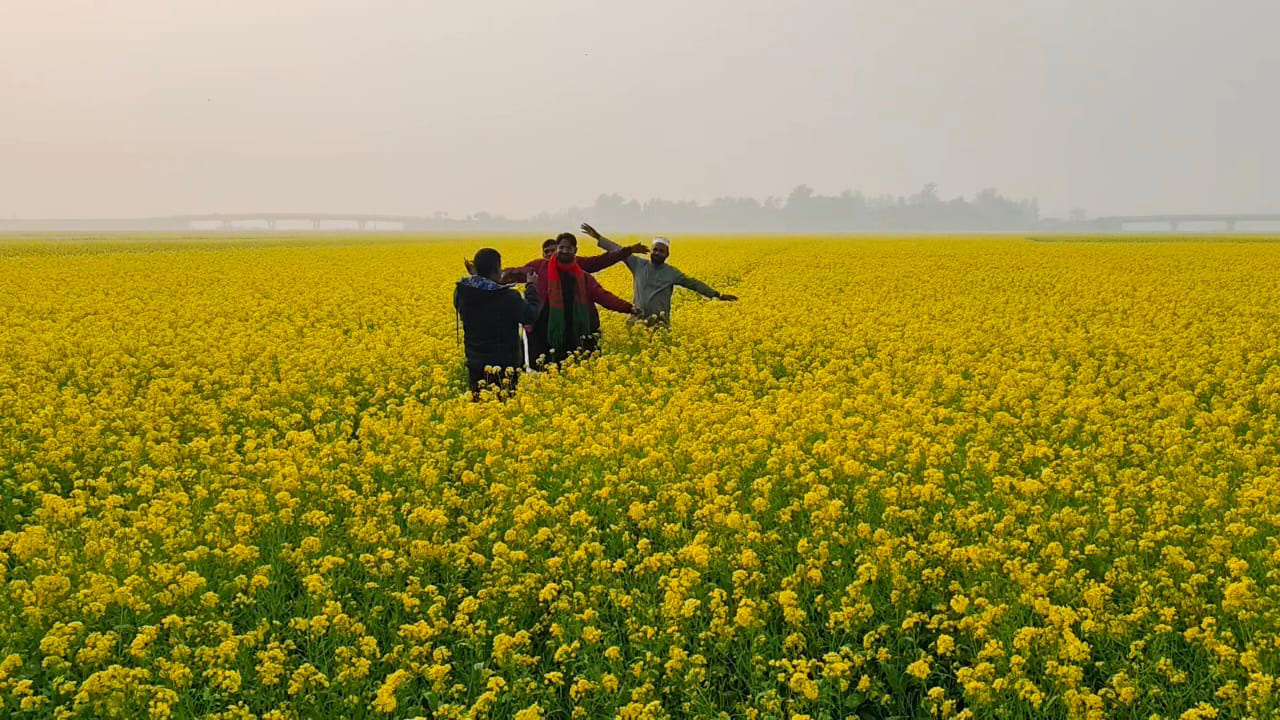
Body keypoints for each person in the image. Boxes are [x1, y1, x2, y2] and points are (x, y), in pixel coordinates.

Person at [580, 223, 737, 326]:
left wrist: (717, 295)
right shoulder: (638, 264)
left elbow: (693, 284)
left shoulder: (672, 273)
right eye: (655, 249)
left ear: (667, 255)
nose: (657, 253)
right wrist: (598, 237)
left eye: (661, 251)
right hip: (637, 322)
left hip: (659, 325)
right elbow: (617, 250)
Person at [522, 233, 636, 367]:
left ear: (575, 250)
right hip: (546, 334)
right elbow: (517, 273)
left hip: (575, 333)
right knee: (548, 368)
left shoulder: (583, 275)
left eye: (568, 248)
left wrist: (628, 308)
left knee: (576, 366)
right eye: (561, 248)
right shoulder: (540, 267)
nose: (564, 251)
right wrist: (501, 277)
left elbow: (603, 296)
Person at [454, 248, 539, 399]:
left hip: (475, 362)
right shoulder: (508, 297)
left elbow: (482, 291)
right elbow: (530, 316)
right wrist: (531, 287)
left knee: (478, 405)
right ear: (497, 269)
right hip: (505, 365)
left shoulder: (462, 292)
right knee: (504, 405)